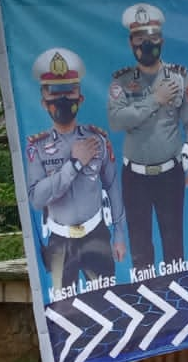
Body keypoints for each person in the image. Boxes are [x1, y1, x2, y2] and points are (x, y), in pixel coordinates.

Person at [107, 3, 188, 280]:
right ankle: (148, 310)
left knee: (174, 245)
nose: (146, 44)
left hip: (170, 175)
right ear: (131, 42)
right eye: (140, 38)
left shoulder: (179, 77)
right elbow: (117, 121)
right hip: (134, 177)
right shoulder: (122, 82)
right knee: (140, 249)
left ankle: (177, 306)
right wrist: (154, 100)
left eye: (152, 37)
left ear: (161, 39)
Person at [25, 47, 126, 292]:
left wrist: (119, 234)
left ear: (80, 98)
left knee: (107, 305)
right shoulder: (36, 148)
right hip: (59, 242)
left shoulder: (97, 140)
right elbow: (37, 199)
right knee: (65, 313)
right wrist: (75, 164)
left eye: (69, 94)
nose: (62, 101)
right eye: (55, 97)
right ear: (44, 103)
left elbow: (113, 186)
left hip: (96, 236)